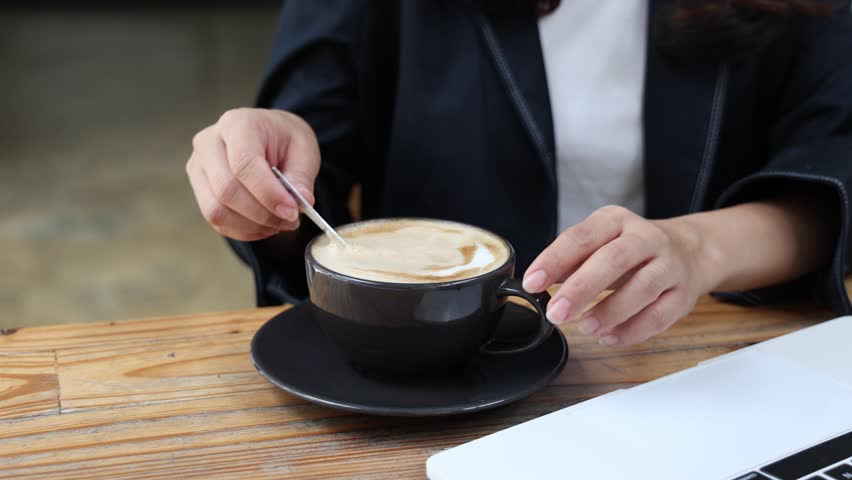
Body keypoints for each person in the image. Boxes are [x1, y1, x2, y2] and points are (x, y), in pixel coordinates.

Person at [186, 0, 852, 347]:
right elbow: (305, 185)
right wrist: (260, 182)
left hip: (690, 356)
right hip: (438, 377)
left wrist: (697, 249)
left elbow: (829, 167)